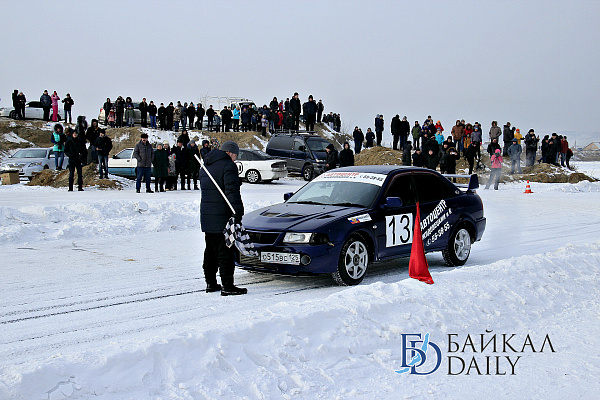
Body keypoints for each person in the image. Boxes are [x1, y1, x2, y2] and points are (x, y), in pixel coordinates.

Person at [199, 140, 247, 296]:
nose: (235, 158)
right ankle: (228, 286)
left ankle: (210, 283)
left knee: (210, 250)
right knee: (225, 250)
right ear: (229, 152)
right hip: (223, 215)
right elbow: (231, 192)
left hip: (207, 215)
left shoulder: (206, 166)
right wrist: (238, 211)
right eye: (235, 155)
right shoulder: (228, 166)